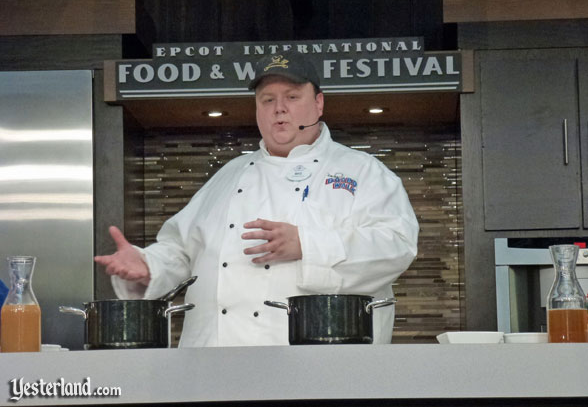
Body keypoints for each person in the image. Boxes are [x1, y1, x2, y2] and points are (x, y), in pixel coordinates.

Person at [95, 51, 419, 347]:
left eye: (292, 97)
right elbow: (182, 250)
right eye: (267, 100)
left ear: (319, 103)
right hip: (215, 368)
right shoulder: (229, 176)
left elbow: (397, 245)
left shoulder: (362, 172)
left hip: (316, 371)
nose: (279, 108)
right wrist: (149, 265)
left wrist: (307, 244)